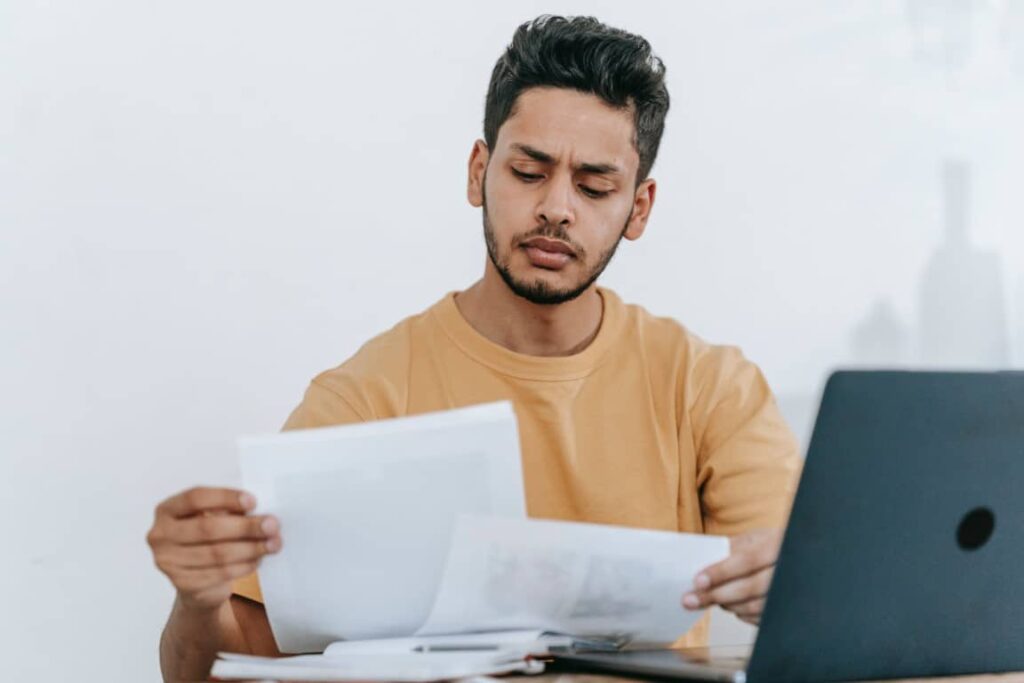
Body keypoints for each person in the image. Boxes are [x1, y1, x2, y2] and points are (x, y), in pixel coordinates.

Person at [146, 14, 801, 682]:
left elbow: (809, 604)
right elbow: (214, 667)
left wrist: (791, 587)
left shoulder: (709, 385)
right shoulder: (369, 394)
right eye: (528, 171)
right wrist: (195, 600)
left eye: (595, 186)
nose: (557, 208)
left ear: (638, 208)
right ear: (479, 172)